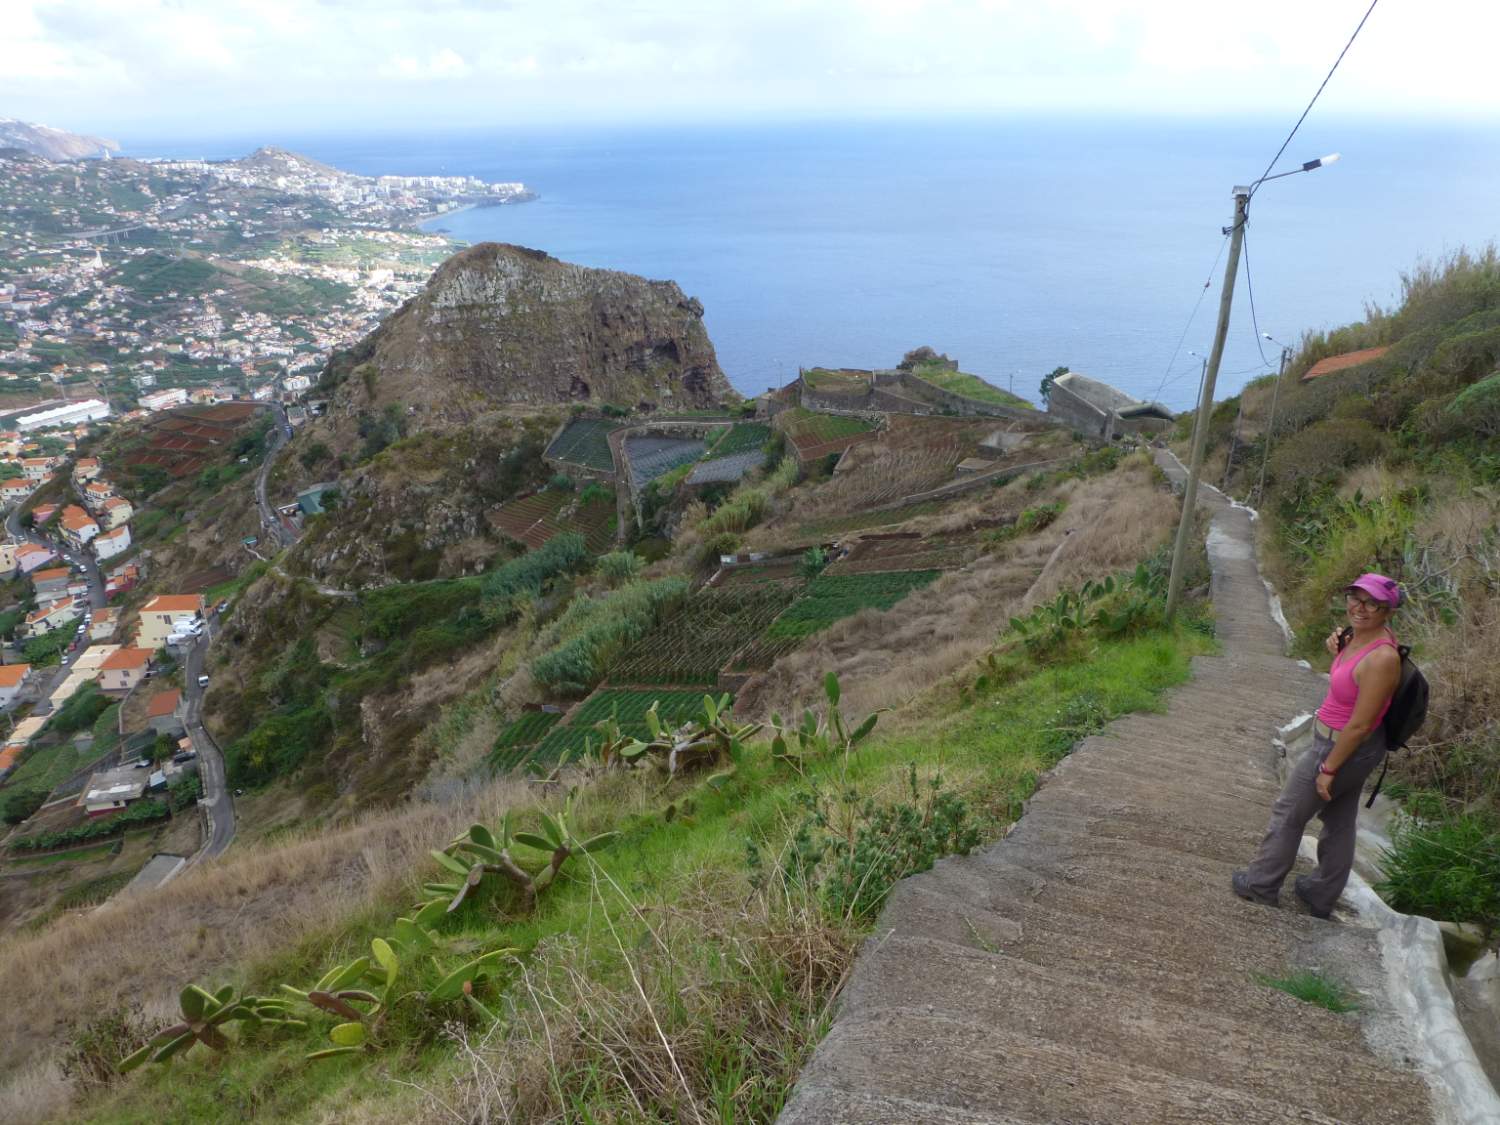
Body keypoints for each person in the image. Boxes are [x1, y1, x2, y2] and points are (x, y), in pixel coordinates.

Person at [1231, 572, 1403, 918]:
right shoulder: (1357, 637)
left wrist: (1329, 768)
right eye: (1355, 598)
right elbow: (1346, 686)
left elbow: (1360, 724)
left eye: (1372, 604)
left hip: (1343, 747)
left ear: (1387, 611)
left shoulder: (1382, 658)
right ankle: (1321, 893)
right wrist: (1337, 651)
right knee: (1339, 818)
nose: (1360, 608)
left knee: (1289, 812)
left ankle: (1261, 885)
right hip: (1342, 743)